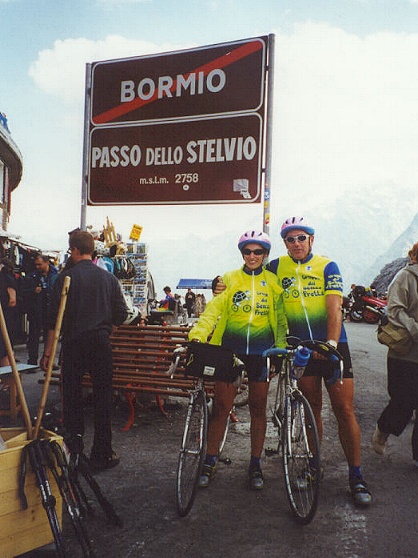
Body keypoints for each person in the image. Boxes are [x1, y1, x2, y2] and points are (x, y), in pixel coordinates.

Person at [266, 216, 372, 507]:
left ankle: (356, 475)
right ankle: (314, 468)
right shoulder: (275, 267)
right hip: (301, 349)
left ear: (311, 239)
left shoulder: (327, 266)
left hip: (334, 346)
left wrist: (331, 344)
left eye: (301, 238)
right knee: (311, 409)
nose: (296, 243)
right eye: (290, 239)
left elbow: (334, 306)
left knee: (344, 410)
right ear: (284, 242)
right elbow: (259, 290)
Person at [189, 230, 287, 490]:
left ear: (265, 255)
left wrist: (279, 350)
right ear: (242, 253)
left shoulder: (273, 282)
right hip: (229, 353)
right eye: (247, 251)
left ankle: (255, 463)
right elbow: (213, 311)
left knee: (258, 407)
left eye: (258, 252)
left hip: (261, 353)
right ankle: (210, 459)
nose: (252, 256)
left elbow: (279, 321)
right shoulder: (229, 279)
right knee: (221, 406)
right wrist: (197, 336)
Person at [41, 230, 129, 471]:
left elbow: (53, 320)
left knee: (72, 398)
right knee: (102, 398)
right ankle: (102, 453)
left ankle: (73, 451)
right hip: (100, 344)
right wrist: (106, 330)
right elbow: (121, 314)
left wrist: (47, 354)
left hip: (74, 344)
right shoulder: (108, 279)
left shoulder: (66, 277)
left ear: (75, 250)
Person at [372, 241, 418, 466]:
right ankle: (383, 428)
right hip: (406, 353)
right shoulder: (406, 277)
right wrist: (416, 329)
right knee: (403, 402)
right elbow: (395, 310)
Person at [23, 254, 58, 366]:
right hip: (36, 311)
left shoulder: (55, 276)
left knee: (50, 336)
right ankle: (32, 361)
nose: (37, 267)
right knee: (34, 336)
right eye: (36, 265)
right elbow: (23, 292)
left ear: (47, 262)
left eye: (40, 264)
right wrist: (33, 290)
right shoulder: (32, 276)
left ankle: (49, 361)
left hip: (50, 310)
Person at [0, 258, 17, 366]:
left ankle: (9, 380)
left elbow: (12, 300)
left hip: (6, 317)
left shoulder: (7, 278)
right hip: (5, 316)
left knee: (5, 350)